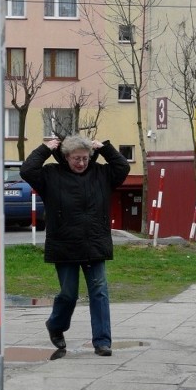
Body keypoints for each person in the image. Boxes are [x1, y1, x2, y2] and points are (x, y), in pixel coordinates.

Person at [20, 135, 130, 356]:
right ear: (66, 157)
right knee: (68, 294)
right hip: (65, 244)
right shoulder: (50, 175)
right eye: (76, 159)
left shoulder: (102, 174)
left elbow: (122, 166)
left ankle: (102, 341)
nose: (81, 163)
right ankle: (56, 325)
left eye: (85, 158)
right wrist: (44, 148)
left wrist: (106, 147)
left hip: (95, 243)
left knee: (99, 291)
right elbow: (27, 170)